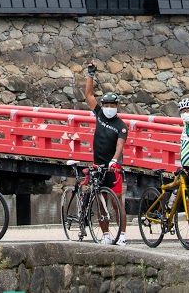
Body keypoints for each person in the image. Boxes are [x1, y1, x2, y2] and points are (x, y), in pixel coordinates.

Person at [79, 61, 129, 245]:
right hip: (98, 165)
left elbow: (120, 146)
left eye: (111, 104)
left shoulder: (121, 126)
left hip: (113, 167)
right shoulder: (99, 114)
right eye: (106, 104)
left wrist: (114, 160)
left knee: (117, 202)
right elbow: (89, 95)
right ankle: (106, 234)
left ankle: (122, 235)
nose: (108, 107)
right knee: (101, 202)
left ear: (117, 106)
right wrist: (90, 74)